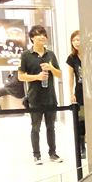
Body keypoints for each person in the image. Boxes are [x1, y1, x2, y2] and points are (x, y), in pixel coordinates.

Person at [18, 24, 62, 166]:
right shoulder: (26, 55)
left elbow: (59, 74)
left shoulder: (51, 54)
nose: (42, 37)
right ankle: (36, 155)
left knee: (51, 127)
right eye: (38, 34)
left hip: (50, 98)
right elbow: (21, 76)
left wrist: (51, 68)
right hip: (34, 98)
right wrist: (37, 77)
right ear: (32, 38)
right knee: (35, 127)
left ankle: (53, 153)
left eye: (44, 34)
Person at [65, 29, 85, 158]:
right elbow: (71, 77)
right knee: (80, 120)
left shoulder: (91, 54)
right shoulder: (71, 58)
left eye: (78, 39)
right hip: (80, 92)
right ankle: (82, 147)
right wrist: (71, 93)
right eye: (73, 40)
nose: (76, 42)